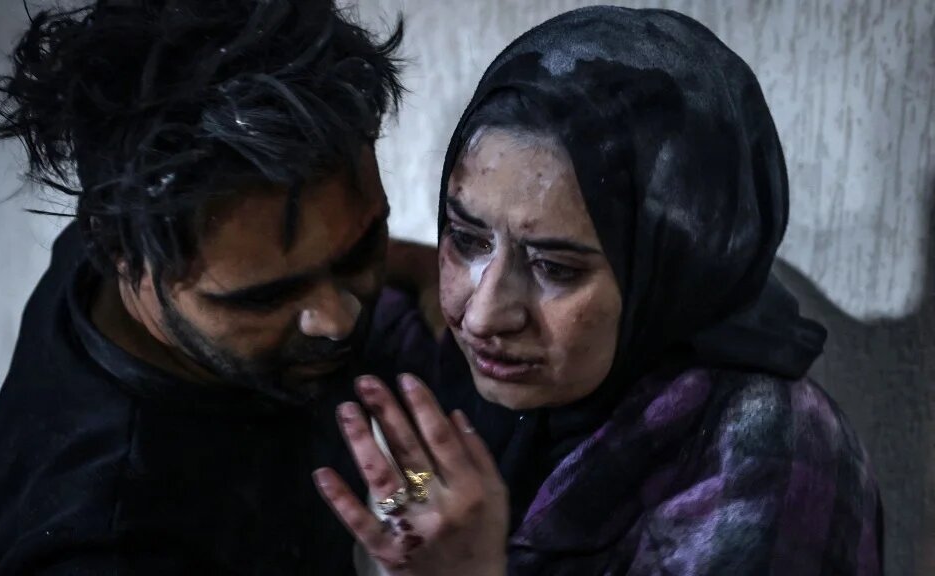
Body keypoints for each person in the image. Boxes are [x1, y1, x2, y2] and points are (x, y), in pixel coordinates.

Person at [315, 7, 884, 575]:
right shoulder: (479, 373)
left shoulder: (766, 459)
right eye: (465, 239)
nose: (484, 314)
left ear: (665, 275)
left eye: (555, 269)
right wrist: (407, 505)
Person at [0, 0, 407, 574]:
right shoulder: (110, 544)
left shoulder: (135, 240)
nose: (338, 317)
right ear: (121, 254)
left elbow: (411, 496)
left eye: (362, 248)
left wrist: (407, 496)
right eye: (264, 297)